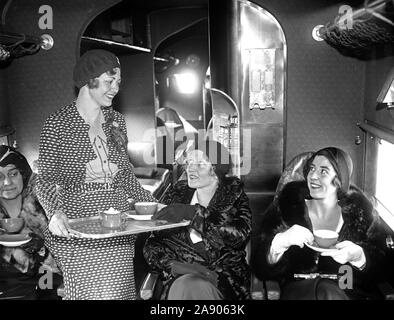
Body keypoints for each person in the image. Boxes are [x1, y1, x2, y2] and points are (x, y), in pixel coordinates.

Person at [35, 49, 157, 300]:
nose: (115, 88)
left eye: (118, 82)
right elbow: (45, 178)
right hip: (78, 228)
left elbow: (124, 175)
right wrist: (54, 212)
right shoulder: (57, 124)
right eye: (109, 81)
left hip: (117, 227)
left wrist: (152, 203)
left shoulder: (116, 121)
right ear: (88, 80)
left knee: (120, 294)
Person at [251, 147, 386, 300]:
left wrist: (360, 258)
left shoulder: (362, 213)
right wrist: (279, 243)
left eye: (323, 171)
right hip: (298, 291)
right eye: (311, 169)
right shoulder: (288, 206)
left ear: (341, 179)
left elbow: (383, 269)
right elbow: (259, 266)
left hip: (347, 291)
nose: (313, 176)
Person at [143, 140, 252, 300]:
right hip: (181, 277)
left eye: (200, 164)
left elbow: (239, 236)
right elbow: (152, 243)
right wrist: (174, 266)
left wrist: (194, 214)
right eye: (189, 162)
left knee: (194, 287)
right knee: (189, 285)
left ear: (216, 169)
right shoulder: (176, 194)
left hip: (223, 280)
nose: (190, 169)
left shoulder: (234, 196)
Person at [0, 145, 60, 300]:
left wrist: (40, 246)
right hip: (9, 281)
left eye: (13, 173)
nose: (7, 182)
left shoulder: (44, 199)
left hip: (47, 273)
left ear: (23, 173)